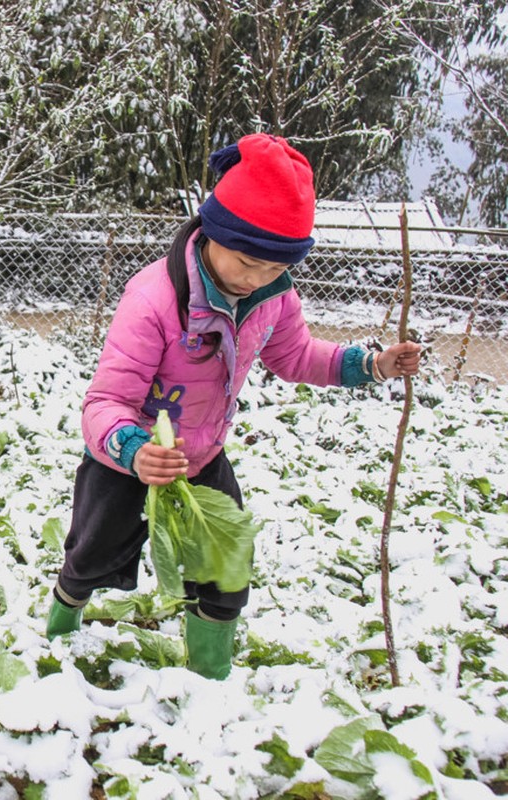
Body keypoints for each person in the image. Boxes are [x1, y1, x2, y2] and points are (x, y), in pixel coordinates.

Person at [45, 133, 422, 680]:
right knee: (91, 558)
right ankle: (58, 635)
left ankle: (209, 676)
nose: (255, 279)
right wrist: (134, 450)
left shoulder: (273, 297)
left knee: (225, 571)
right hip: (129, 457)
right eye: (247, 262)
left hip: (201, 455)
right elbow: (105, 401)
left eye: (273, 269)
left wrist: (372, 365)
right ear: (213, 233)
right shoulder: (154, 298)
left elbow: (296, 356)